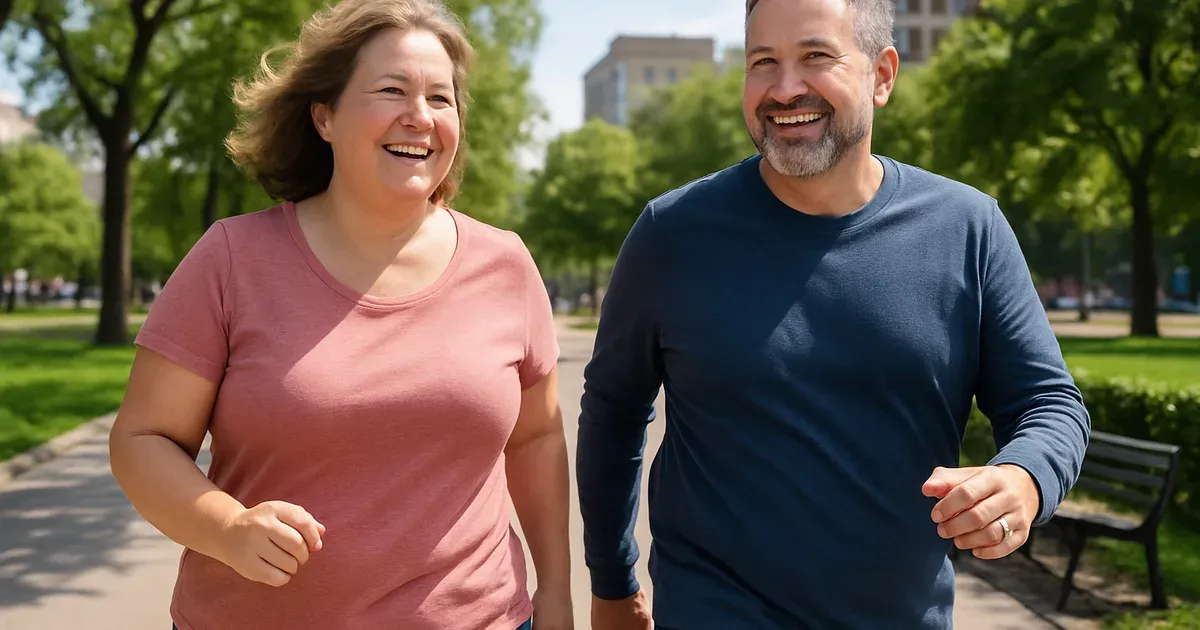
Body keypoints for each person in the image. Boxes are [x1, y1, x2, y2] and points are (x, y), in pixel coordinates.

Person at [575, 0, 1091, 628]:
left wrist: (1025, 478)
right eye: (763, 62)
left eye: (816, 57)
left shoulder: (969, 229)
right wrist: (611, 581)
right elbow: (612, 412)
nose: (785, 88)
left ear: (882, 75)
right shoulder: (670, 234)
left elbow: (1048, 403)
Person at [108, 1, 573, 628]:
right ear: (324, 117)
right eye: (392, 90)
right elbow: (142, 440)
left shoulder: (506, 264)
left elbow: (537, 437)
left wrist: (555, 592)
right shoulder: (231, 259)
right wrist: (226, 527)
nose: (421, 117)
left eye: (441, 98)